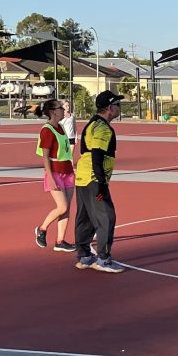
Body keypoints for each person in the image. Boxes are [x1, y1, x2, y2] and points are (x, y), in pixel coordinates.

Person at [74, 90, 125, 273]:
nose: (119, 108)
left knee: (86, 217)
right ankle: (103, 259)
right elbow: (97, 155)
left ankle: (84, 256)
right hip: (93, 179)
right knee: (107, 217)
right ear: (110, 108)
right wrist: (101, 183)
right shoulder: (102, 128)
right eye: (117, 105)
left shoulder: (92, 124)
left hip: (83, 177)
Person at [34, 98, 76, 252]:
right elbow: (45, 156)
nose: (63, 110)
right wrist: (50, 177)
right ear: (53, 112)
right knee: (62, 206)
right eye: (60, 108)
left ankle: (60, 241)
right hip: (55, 172)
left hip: (67, 171)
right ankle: (42, 229)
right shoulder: (47, 130)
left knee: (67, 208)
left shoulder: (61, 127)